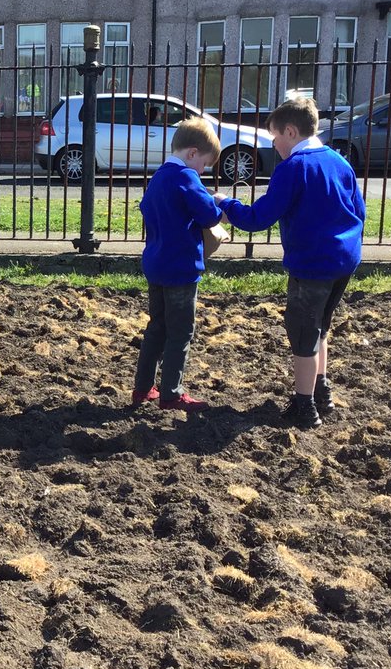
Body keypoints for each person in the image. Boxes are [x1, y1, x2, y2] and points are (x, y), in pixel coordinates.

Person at [214, 95, 366, 428]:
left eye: (275, 137)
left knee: (302, 335)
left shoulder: (293, 169)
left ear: (291, 131)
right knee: (320, 327)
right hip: (344, 259)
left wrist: (226, 203)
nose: (274, 143)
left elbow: (258, 218)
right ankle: (321, 389)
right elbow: (360, 211)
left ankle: (304, 407)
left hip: (312, 264)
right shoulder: (339, 162)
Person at [133, 117, 224, 412]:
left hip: (157, 264)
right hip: (181, 268)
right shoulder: (187, 178)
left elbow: (149, 210)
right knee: (181, 331)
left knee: (157, 327)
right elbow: (209, 216)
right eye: (205, 164)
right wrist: (218, 202)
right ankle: (171, 393)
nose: (203, 171)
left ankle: (143, 387)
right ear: (193, 153)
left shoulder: (159, 177)